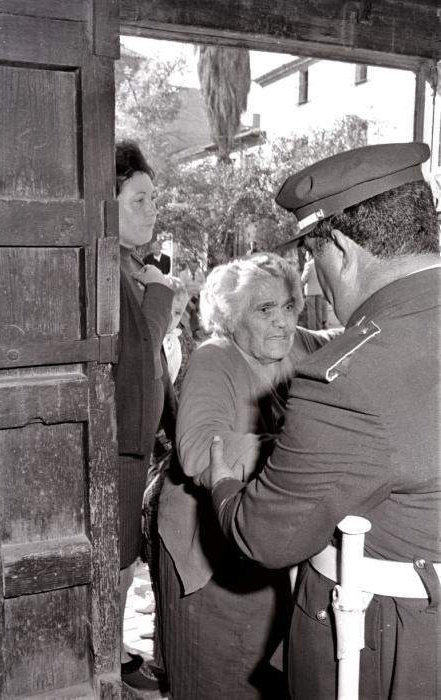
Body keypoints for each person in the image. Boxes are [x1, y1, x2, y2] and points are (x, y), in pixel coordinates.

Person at [202, 142, 441, 699]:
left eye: (312, 259)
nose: (310, 283)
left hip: (392, 647)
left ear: (339, 248)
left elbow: (266, 537)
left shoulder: (351, 379)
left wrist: (223, 485)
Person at [156, 253, 337, 700]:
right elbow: (199, 450)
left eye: (290, 307)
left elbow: (345, 340)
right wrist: (296, 453)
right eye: (265, 310)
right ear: (231, 318)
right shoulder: (215, 358)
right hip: (212, 554)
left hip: (262, 543)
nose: (283, 322)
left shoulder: (295, 343)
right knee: (221, 677)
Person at [114, 139, 173, 691]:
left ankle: (109, 648)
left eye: (154, 198)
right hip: (118, 445)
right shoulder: (112, 272)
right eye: (139, 198)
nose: (152, 208)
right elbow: (134, 361)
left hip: (136, 439)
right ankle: (104, 658)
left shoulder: (130, 268)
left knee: (123, 554)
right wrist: (160, 294)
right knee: (117, 556)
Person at [162, 276, 190, 384]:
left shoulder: (172, 345)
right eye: (167, 308)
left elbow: (166, 382)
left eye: (177, 313)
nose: (171, 317)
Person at [299, 249, 328, 329]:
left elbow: (304, 279)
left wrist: (299, 286)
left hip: (311, 292)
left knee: (312, 313)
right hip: (319, 291)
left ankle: (313, 330)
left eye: (306, 255)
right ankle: (319, 329)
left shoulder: (308, 265)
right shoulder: (320, 263)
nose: (305, 257)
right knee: (319, 312)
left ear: (310, 255)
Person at [179, 257, 206, 338]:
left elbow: (204, 288)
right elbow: (183, 289)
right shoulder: (183, 274)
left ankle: (200, 330)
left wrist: (200, 299)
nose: (194, 269)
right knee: (190, 310)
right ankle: (192, 331)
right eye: (192, 267)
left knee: (200, 309)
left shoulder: (201, 274)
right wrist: (188, 301)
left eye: (195, 267)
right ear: (188, 265)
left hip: (198, 297)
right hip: (187, 297)